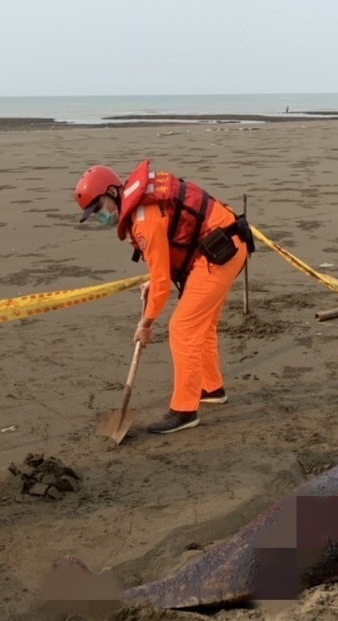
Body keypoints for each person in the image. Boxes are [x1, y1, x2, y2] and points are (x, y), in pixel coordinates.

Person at [75, 160, 253, 434]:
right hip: (224, 246)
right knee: (200, 326)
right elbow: (162, 264)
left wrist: (145, 324)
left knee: (183, 329)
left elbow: (162, 284)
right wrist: (154, 279)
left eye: (99, 208)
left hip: (220, 254)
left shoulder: (144, 217)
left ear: (112, 193)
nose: (100, 217)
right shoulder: (141, 206)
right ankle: (211, 388)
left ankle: (184, 410)